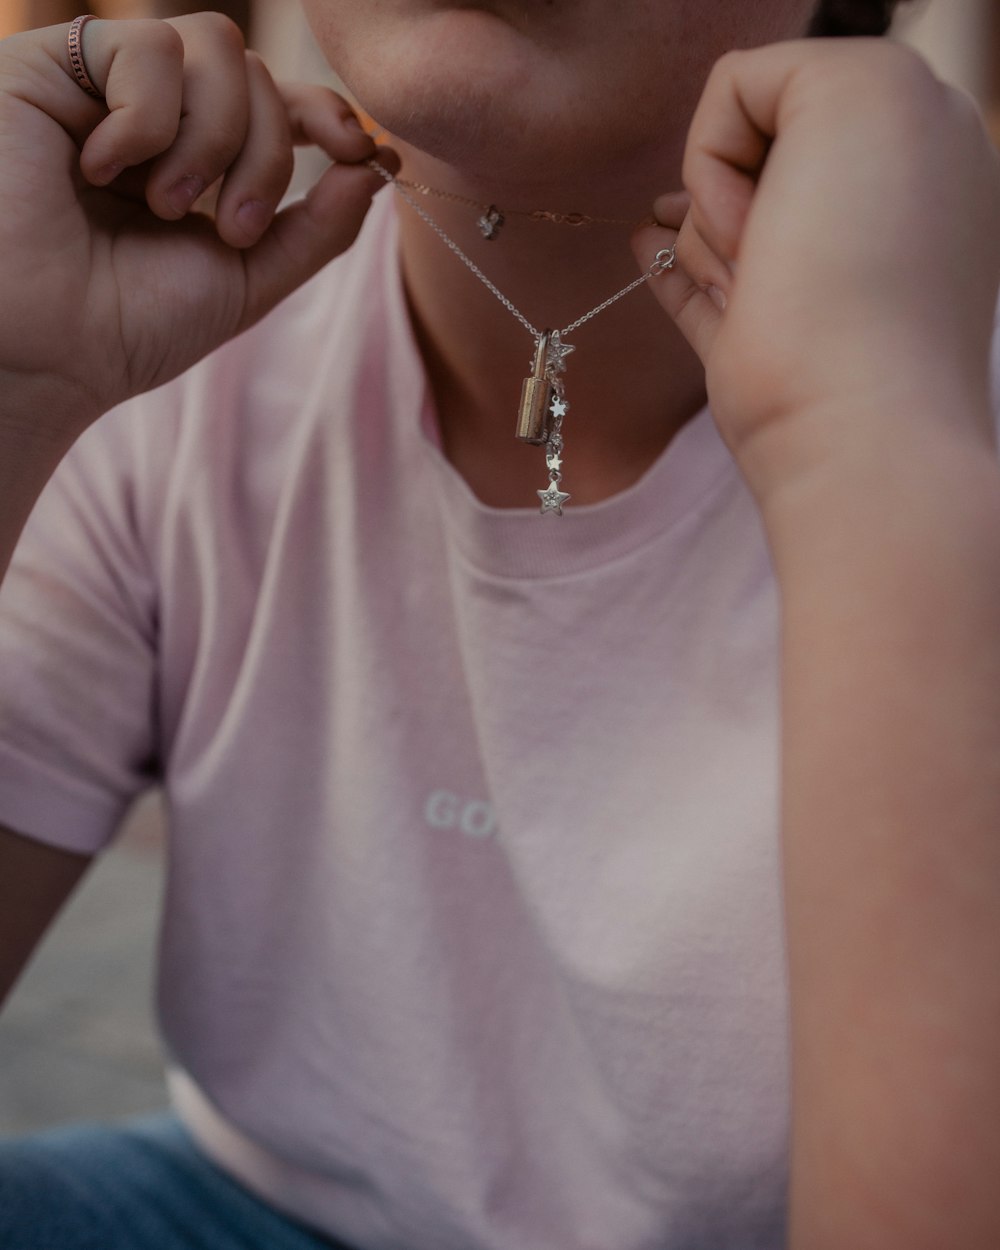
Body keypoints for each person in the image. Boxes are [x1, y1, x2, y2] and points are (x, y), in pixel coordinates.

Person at [0, 1, 999, 1247]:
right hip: (250, 1203)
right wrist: (14, 400)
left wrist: (871, 459)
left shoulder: (944, 444)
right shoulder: (162, 321)